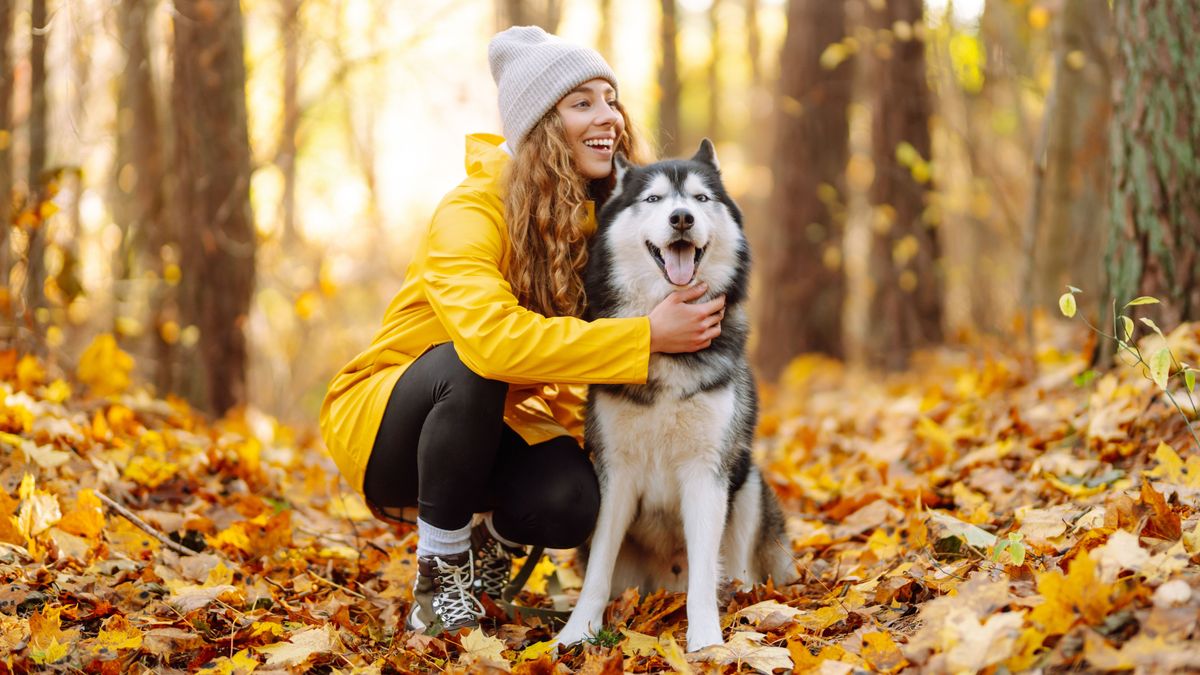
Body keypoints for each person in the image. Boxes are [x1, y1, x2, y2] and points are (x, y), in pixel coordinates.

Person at [319, 26, 726, 634]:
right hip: (390, 423)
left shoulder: (603, 226)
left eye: (610, 98)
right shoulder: (470, 211)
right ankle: (440, 573)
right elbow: (494, 344)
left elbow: (572, 372)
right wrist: (646, 337)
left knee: (574, 497)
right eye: (581, 102)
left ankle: (485, 544)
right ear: (539, 128)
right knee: (474, 365)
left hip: (497, 422)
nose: (608, 116)